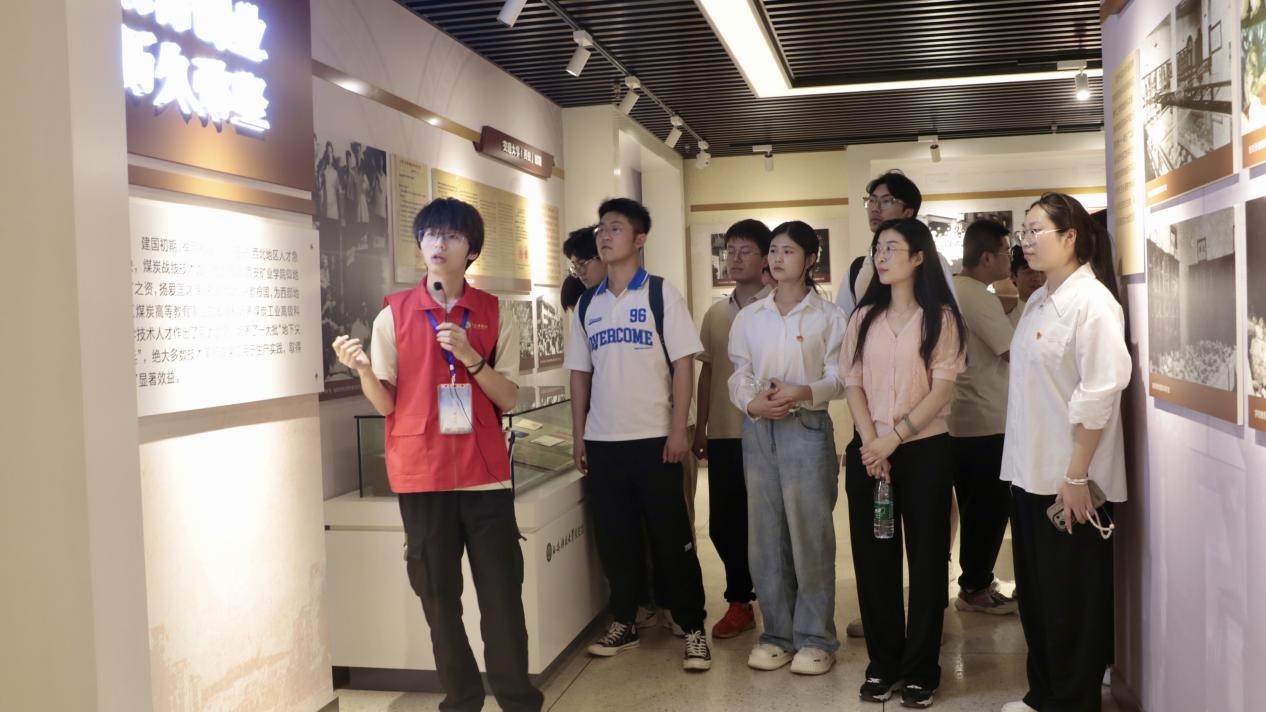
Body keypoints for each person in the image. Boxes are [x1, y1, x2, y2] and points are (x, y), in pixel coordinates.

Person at [330, 197, 542, 712]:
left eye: (451, 235)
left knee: (501, 598)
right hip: (422, 478)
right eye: (430, 235)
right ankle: (462, 699)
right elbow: (386, 404)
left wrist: (470, 357)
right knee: (439, 600)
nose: (438, 244)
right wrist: (362, 370)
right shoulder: (393, 315)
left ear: (472, 249)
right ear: (420, 244)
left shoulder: (495, 313)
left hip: (485, 478)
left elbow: (509, 397)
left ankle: (517, 700)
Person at [565, 197, 712, 671]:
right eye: (600, 229)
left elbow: (684, 364)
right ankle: (624, 620)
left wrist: (678, 429)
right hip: (604, 442)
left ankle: (692, 626)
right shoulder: (587, 303)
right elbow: (580, 374)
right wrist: (579, 436)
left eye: (615, 228)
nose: (604, 237)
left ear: (639, 239)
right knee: (616, 538)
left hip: (655, 439)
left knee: (672, 538)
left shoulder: (660, 294)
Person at [999, 193, 1130, 712]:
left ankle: (1073, 702)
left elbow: (1099, 395)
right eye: (1023, 232)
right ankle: (1044, 695)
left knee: (1072, 602)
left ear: (1070, 237)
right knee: (1037, 597)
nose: (1026, 241)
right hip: (1029, 472)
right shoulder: (1038, 299)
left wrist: (1076, 476)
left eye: (1037, 231)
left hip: (1071, 481)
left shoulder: (1094, 304)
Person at [842, 218, 966, 708]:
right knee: (875, 561)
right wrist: (872, 443)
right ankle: (883, 664)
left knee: (928, 561)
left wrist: (893, 439)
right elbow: (852, 382)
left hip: (923, 451)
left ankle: (921, 669)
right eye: (878, 247)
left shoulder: (941, 318)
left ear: (918, 257)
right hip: (871, 452)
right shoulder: (863, 317)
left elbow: (942, 390)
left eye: (892, 247)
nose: (881, 255)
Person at [728, 221, 847, 676]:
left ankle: (816, 638)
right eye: (774, 250)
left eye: (789, 251)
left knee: (810, 534)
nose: (777, 259)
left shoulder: (829, 317)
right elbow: (739, 372)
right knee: (764, 536)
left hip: (807, 426)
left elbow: (840, 378)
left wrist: (803, 391)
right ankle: (776, 635)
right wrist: (752, 402)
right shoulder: (750, 316)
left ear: (811, 259)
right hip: (759, 429)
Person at [692, 219, 772, 640]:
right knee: (725, 524)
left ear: (765, 257)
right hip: (726, 433)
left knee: (770, 523)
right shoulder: (716, 314)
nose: (735, 259)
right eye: (730, 250)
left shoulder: (778, 306)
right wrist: (701, 427)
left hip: (770, 431)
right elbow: (708, 373)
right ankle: (740, 600)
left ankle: (781, 602)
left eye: (746, 251)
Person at [948, 220, 1018, 615]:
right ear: (987, 257)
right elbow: (1011, 351)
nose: (1011, 258)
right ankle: (974, 587)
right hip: (984, 419)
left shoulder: (959, 290)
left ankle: (976, 581)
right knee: (987, 510)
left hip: (968, 417)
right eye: (1007, 252)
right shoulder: (975, 295)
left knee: (979, 507)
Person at [1008, 244, 1046, 327]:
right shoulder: (1008, 321)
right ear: (1013, 276)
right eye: (1029, 272)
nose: (1037, 278)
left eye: (1042, 271)